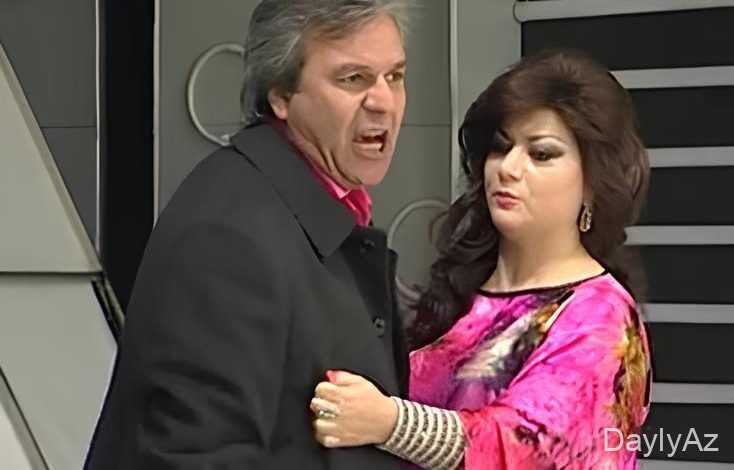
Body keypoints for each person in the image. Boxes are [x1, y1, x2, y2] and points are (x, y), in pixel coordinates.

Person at [84, 1, 412, 469]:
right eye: (352, 78)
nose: (383, 101)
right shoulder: (227, 236)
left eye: (394, 76)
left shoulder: (316, 206)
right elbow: (195, 456)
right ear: (281, 95)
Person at [309, 49, 653, 469]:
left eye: (541, 154)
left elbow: (525, 447)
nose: (508, 168)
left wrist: (390, 423)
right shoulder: (467, 289)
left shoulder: (602, 316)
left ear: (593, 183)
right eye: (500, 147)